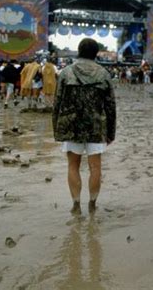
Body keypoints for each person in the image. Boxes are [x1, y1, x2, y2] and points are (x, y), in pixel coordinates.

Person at [53, 38, 116, 215]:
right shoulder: (104, 74)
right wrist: (111, 132)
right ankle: (93, 204)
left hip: (71, 124)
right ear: (96, 53)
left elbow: (57, 103)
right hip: (96, 126)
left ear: (79, 51)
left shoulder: (66, 73)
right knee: (95, 167)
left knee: (72, 165)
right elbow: (110, 106)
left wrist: (57, 129)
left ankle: (75, 204)